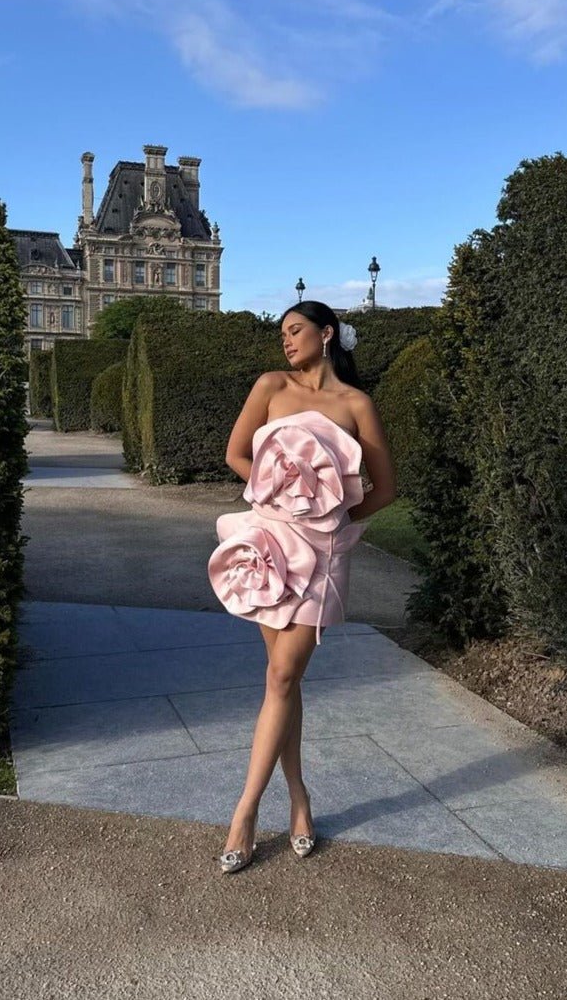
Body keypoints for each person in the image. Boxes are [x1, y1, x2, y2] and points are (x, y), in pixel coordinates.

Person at [207, 300, 397, 873]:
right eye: (283, 333)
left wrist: (330, 514)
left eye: (295, 330)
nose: (286, 341)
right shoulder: (271, 385)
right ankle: (299, 799)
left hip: (321, 554)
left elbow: (386, 488)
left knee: (283, 677)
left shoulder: (356, 404)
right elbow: (236, 455)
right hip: (268, 546)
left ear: (327, 333)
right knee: (282, 682)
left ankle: (244, 812)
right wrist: (282, 493)